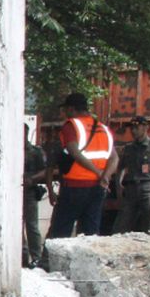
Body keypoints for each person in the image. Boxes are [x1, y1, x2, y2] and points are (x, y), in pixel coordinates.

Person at [45, 93, 118, 239]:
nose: (65, 113)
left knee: (60, 232)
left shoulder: (71, 126)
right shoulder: (104, 128)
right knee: (90, 232)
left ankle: (49, 262)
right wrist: (105, 176)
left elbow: (74, 152)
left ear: (72, 109)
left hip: (74, 187)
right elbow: (115, 158)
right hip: (97, 188)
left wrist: (98, 172)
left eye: (65, 110)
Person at [113, 116, 150, 234]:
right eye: (132, 128)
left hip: (149, 188)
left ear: (145, 127)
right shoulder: (128, 148)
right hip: (131, 188)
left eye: (136, 127)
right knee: (121, 227)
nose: (133, 131)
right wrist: (118, 188)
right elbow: (120, 169)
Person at [22, 124, 48, 267]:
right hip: (13, 193)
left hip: (29, 192)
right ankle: (22, 256)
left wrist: (32, 179)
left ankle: (36, 257)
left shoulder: (35, 152)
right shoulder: (8, 150)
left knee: (31, 225)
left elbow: (45, 171)